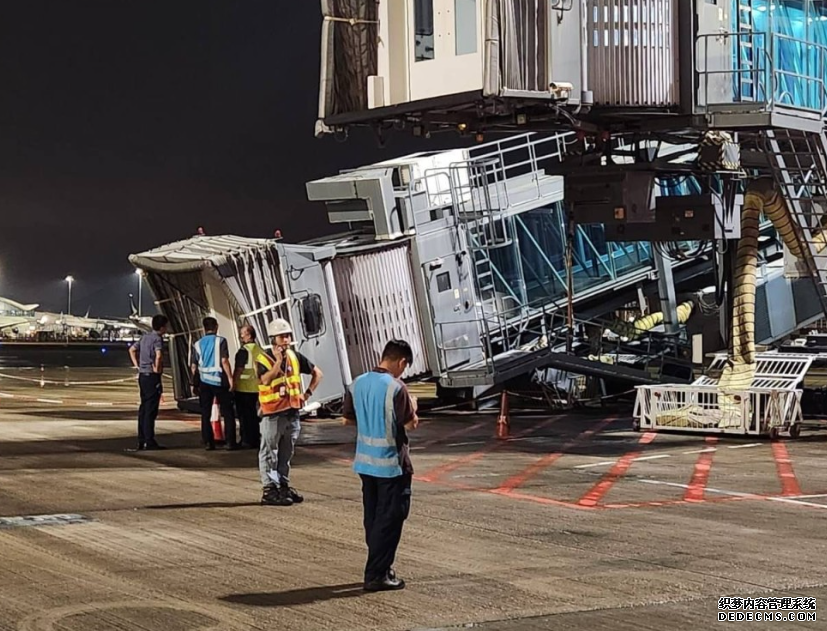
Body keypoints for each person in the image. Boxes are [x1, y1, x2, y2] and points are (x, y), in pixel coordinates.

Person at [343, 339, 419, 592]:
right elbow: (409, 424)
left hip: (365, 463)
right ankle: (376, 574)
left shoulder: (356, 384)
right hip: (391, 465)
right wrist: (414, 408)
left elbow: (347, 420)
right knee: (390, 519)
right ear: (402, 362)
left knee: (373, 518)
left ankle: (381, 566)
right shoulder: (397, 388)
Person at [257, 317, 322, 506]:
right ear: (273, 339)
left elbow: (318, 373)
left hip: (292, 412)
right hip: (273, 413)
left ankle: (283, 486)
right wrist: (277, 363)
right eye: (281, 337)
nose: (286, 340)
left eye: (287, 336)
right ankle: (269, 490)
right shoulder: (263, 359)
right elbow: (265, 380)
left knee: (286, 453)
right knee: (269, 452)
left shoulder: (295, 356)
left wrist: (307, 393)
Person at [191, 317, 238, 450]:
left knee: (205, 413)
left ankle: (208, 442)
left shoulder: (197, 344)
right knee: (227, 412)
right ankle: (230, 442)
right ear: (216, 327)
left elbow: (194, 367)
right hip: (219, 380)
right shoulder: (221, 341)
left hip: (204, 382)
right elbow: (224, 361)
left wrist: (195, 383)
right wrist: (230, 378)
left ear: (204, 328)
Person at [128, 314, 169, 451]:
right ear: (162, 327)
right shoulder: (158, 339)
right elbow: (159, 355)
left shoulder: (144, 337)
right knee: (151, 410)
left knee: (144, 408)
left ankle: (141, 439)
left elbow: (132, 349)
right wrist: (157, 369)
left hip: (142, 376)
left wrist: (137, 365)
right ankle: (149, 440)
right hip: (152, 376)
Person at [232, 324, 264, 449]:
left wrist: (233, 383)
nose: (241, 336)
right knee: (253, 416)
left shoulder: (243, 351)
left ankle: (246, 440)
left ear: (249, 335)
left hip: (243, 388)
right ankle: (255, 439)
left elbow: (239, 369)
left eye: (243, 334)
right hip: (255, 388)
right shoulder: (259, 349)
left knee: (244, 416)